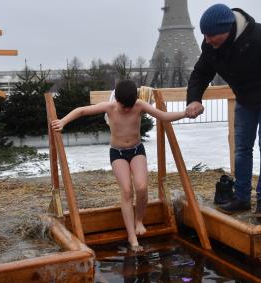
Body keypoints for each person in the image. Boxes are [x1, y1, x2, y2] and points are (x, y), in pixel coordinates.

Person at [185, 4, 261, 219]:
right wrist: (194, 99)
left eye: (211, 35)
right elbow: (200, 73)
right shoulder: (211, 46)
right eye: (204, 35)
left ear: (227, 30)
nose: (207, 40)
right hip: (245, 100)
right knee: (242, 149)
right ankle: (242, 197)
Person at [51, 80, 186, 251]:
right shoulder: (110, 107)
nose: (128, 110)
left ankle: (139, 221)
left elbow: (163, 116)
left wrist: (185, 113)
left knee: (142, 187)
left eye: (131, 106)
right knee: (127, 191)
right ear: (118, 101)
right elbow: (83, 110)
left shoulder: (139, 105)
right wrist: (63, 121)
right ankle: (132, 236)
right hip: (118, 153)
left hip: (137, 151)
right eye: (125, 107)